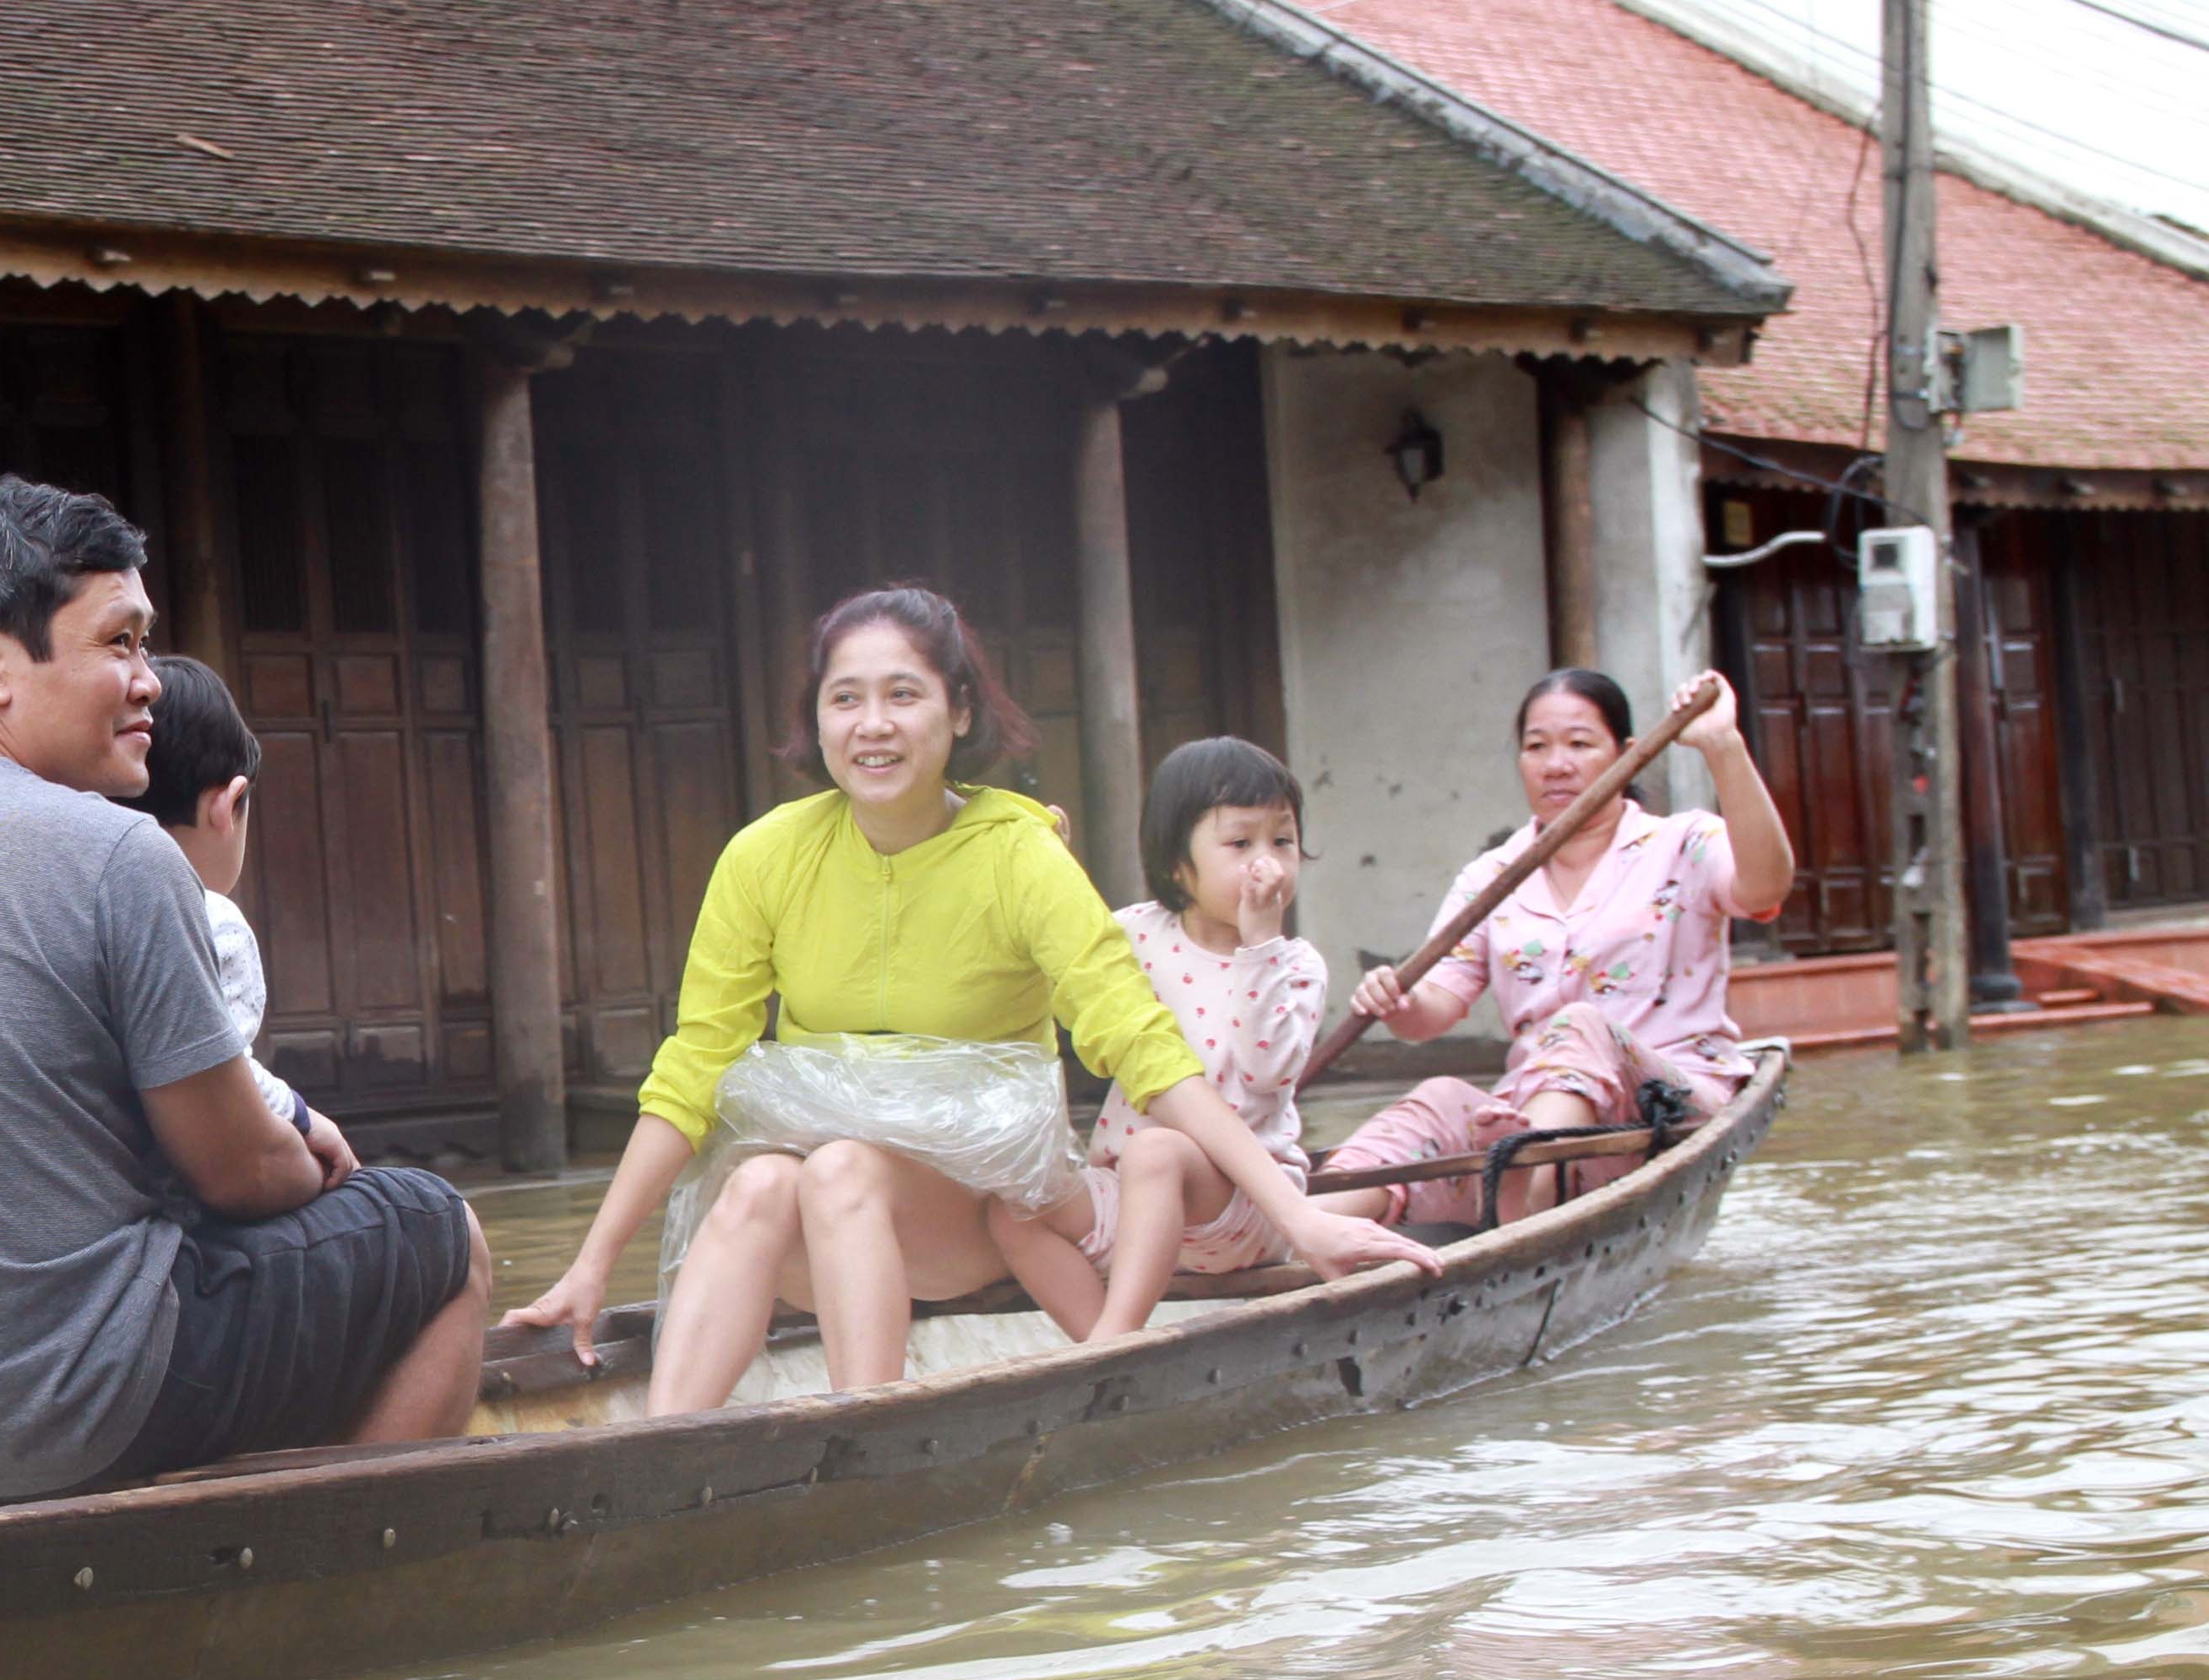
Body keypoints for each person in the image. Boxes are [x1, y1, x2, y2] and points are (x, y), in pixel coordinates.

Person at [0, 477, 492, 1501]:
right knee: (438, 1229)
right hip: (74, 1408)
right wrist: (309, 1154)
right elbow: (241, 1177)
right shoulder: (114, 853)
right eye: (119, 644)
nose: (151, 683)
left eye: (146, 646)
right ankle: (348, 1554)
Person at [505, 586, 1434, 1410]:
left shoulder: (1018, 854)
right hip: (813, 1233)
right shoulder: (766, 856)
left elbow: (1145, 1050)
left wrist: (1299, 1215)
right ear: (818, 722)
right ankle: (660, 1458)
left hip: (973, 1218)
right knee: (755, 1181)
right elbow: (693, 1069)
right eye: (846, 698)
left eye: (903, 694)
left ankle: (870, 1443)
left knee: (837, 1170)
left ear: (956, 712)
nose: (874, 724)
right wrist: (591, 1264)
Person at [1319, 665, 1793, 1227]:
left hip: (1665, 1106)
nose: (1557, 764)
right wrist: (1399, 1001)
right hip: (1532, 1111)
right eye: (1537, 747)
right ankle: (1299, 1237)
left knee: (1579, 1028)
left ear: (1627, 754)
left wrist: (1722, 745)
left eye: (1580, 744)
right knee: (1439, 1102)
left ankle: (1521, 1223)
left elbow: (1766, 886)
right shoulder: (1492, 877)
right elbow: (1432, 1013)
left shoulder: (1683, 843)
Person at [985, 737, 1325, 1340]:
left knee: (1158, 1150)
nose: (1266, 862)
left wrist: (1259, 947)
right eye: (1240, 843)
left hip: (1245, 1210)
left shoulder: (1293, 966)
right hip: (1130, 1202)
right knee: (1014, 1211)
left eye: (1283, 841)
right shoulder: (1133, 933)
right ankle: (1105, 1347)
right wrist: (1049, 866)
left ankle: (1116, 1338)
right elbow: (1059, 972)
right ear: (1176, 864)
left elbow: (1264, 1073)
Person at [114, 655, 352, 1177]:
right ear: (229, 804)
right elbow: (220, 1074)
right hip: (176, 1194)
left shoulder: (83, 899)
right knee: (437, 1212)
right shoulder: (210, 917)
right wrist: (304, 1117)